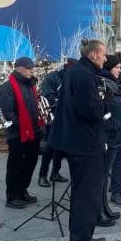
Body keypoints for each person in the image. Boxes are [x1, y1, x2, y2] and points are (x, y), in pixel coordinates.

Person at [51, 40, 111, 241]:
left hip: (79, 141)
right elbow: (89, 109)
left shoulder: (78, 71)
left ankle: (84, 236)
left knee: (82, 194)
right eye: (104, 55)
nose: (106, 58)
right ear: (94, 55)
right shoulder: (84, 75)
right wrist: (106, 105)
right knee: (86, 195)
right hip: (85, 143)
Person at [0, 57, 43, 209]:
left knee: (30, 163)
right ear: (19, 68)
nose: (32, 71)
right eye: (29, 68)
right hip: (18, 134)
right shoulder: (7, 87)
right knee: (15, 165)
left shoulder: (30, 85)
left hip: (33, 132)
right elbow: (8, 113)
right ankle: (12, 196)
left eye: (32, 68)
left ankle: (23, 190)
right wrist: (22, 126)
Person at [100, 55, 121, 209]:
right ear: (109, 68)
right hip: (111, 132)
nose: (120, 70)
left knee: (120, 160)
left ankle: (116, 187)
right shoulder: (104, 83)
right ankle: (106, 198)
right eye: (117, 67)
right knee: (107, 165)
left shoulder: (117, 83)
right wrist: (111, 125)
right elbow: (103, 109)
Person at [37, 59, 73, 187]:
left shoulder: (71, 78)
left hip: (68, 117)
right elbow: (48, 96)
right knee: (50, 147)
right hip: (54, 116)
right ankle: (42, 175)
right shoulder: (52, 78)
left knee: (63, 146)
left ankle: (55, 173)